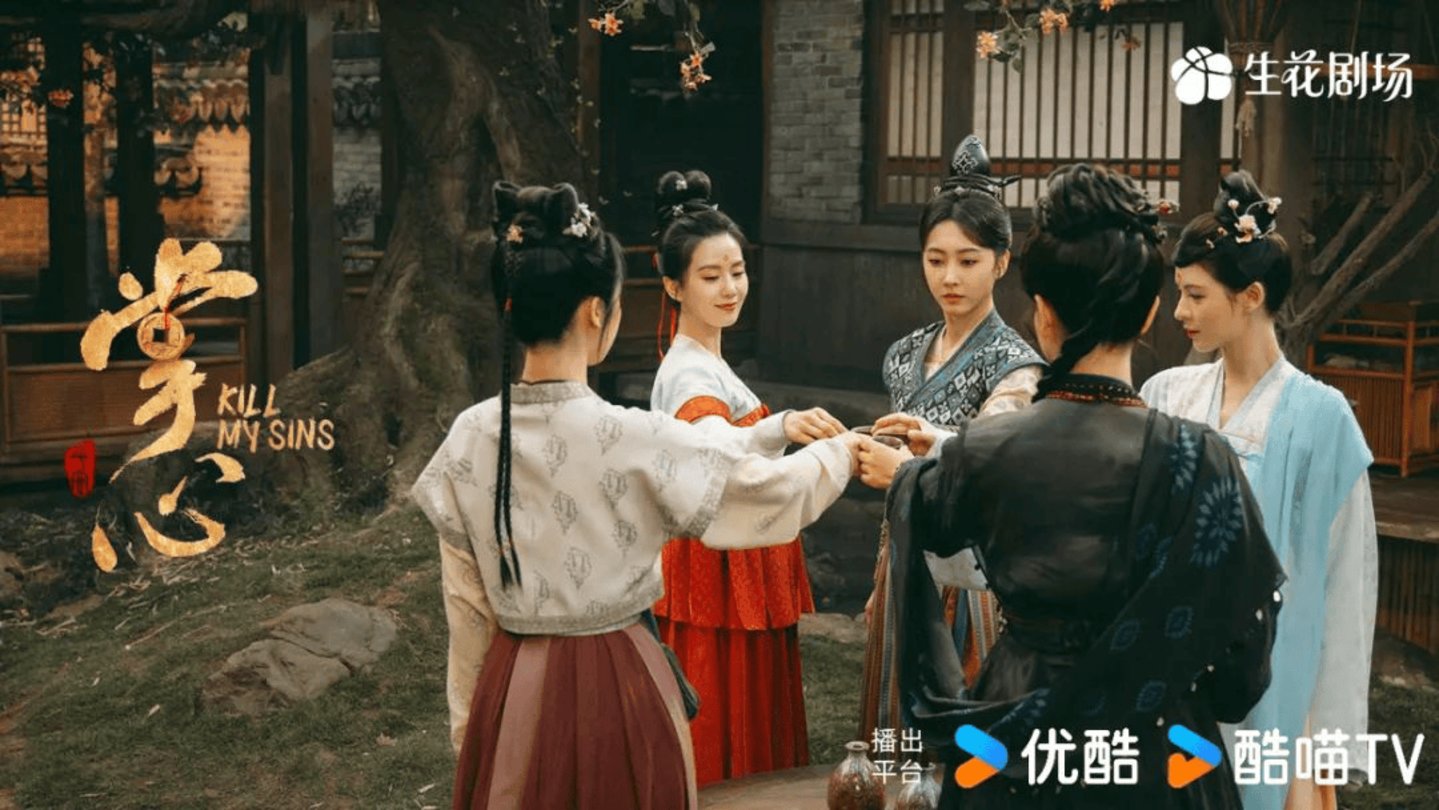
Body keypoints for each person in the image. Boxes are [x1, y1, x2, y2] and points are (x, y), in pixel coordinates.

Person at [411, 182, 862, 810]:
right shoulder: (631, 436)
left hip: (512, 686)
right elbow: (760, 495)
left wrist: (474, 733)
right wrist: (842, 452)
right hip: (619, 682)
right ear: (598, 312)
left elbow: (466, 613)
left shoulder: (469, 438)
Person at [860, 163, 1284, 808]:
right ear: (1149, 313)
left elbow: (924, 527)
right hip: (1158, 751)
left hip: (1013, 739)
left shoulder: (982, 450)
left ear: (1042, 314)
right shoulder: (1202, 458)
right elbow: (1240, 672)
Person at [1141, 171, 1377, 810]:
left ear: (1250, 296)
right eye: (1178, 293)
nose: (1180, 312)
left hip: (1270, 677)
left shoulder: (1322, 417)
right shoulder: (1166, 395)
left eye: (1196, 295)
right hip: (1165, 671)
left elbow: (1343, 588)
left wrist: (1325, 739)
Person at [647, 168, 847, 784]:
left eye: (737, 271)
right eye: (710, 276)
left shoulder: (704, 360)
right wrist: (799, 438)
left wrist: (780, 427)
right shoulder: (690, 374)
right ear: (673, 285)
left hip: (731, 558)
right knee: (724, 711)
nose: (730, 287)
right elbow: (717, 456)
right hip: (718, 565)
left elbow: (727, 443)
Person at [858, 135, 1045, 741]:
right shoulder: (902, 354)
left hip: (973, 575)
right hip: (902, 561)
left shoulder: (1017, 365)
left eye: (968, 260)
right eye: (935, 259)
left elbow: (992, 461)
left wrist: (920, 449)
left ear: (1002, 262)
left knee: (960, 743)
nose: (949, 277)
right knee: (892, 739)